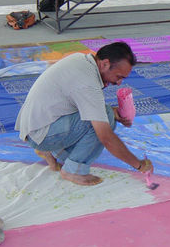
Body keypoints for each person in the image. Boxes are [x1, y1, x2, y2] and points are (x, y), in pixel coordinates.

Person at [15, 42, 153, 185]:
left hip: (35, 125)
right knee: (105, 118)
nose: (119, 83)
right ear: (105, 64)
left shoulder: (81, 59)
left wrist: (111, 111)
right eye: (118, 76)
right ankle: (72, 170)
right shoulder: (88, 84)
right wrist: (139, 165)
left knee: (105, 112)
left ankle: (52, 151)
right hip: (41, 134)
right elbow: (106, 137)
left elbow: (77, 99)